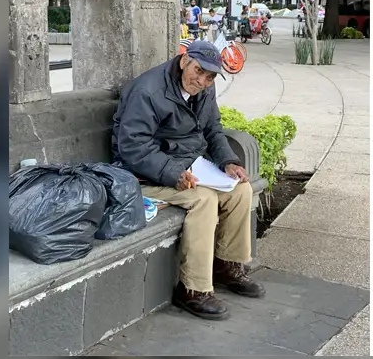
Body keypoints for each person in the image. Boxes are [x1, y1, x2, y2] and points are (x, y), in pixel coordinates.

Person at [112, 40, 264, 321]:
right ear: (184, 61)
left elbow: (213, 130)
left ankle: (226, 265)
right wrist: (172, 173)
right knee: (204, 199)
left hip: (189, 164)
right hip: (144, 173)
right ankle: (192, 289)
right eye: (198, 71)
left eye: (210, 76)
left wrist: (229, 161)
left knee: (240, 189)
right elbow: (132, 147)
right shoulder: (148, 91)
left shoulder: (205, 89)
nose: (203, 80)